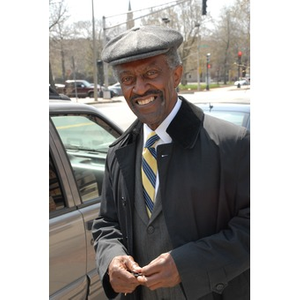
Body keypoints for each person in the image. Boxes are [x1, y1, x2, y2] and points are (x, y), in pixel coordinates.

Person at [92, 25, 250, 300]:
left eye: (151, 74)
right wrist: (111, 260)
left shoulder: (231, 144)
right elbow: (106, 223)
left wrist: (187, 264)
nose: (140, 88)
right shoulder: (118, 152)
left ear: (176, 75)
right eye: (128, 79)